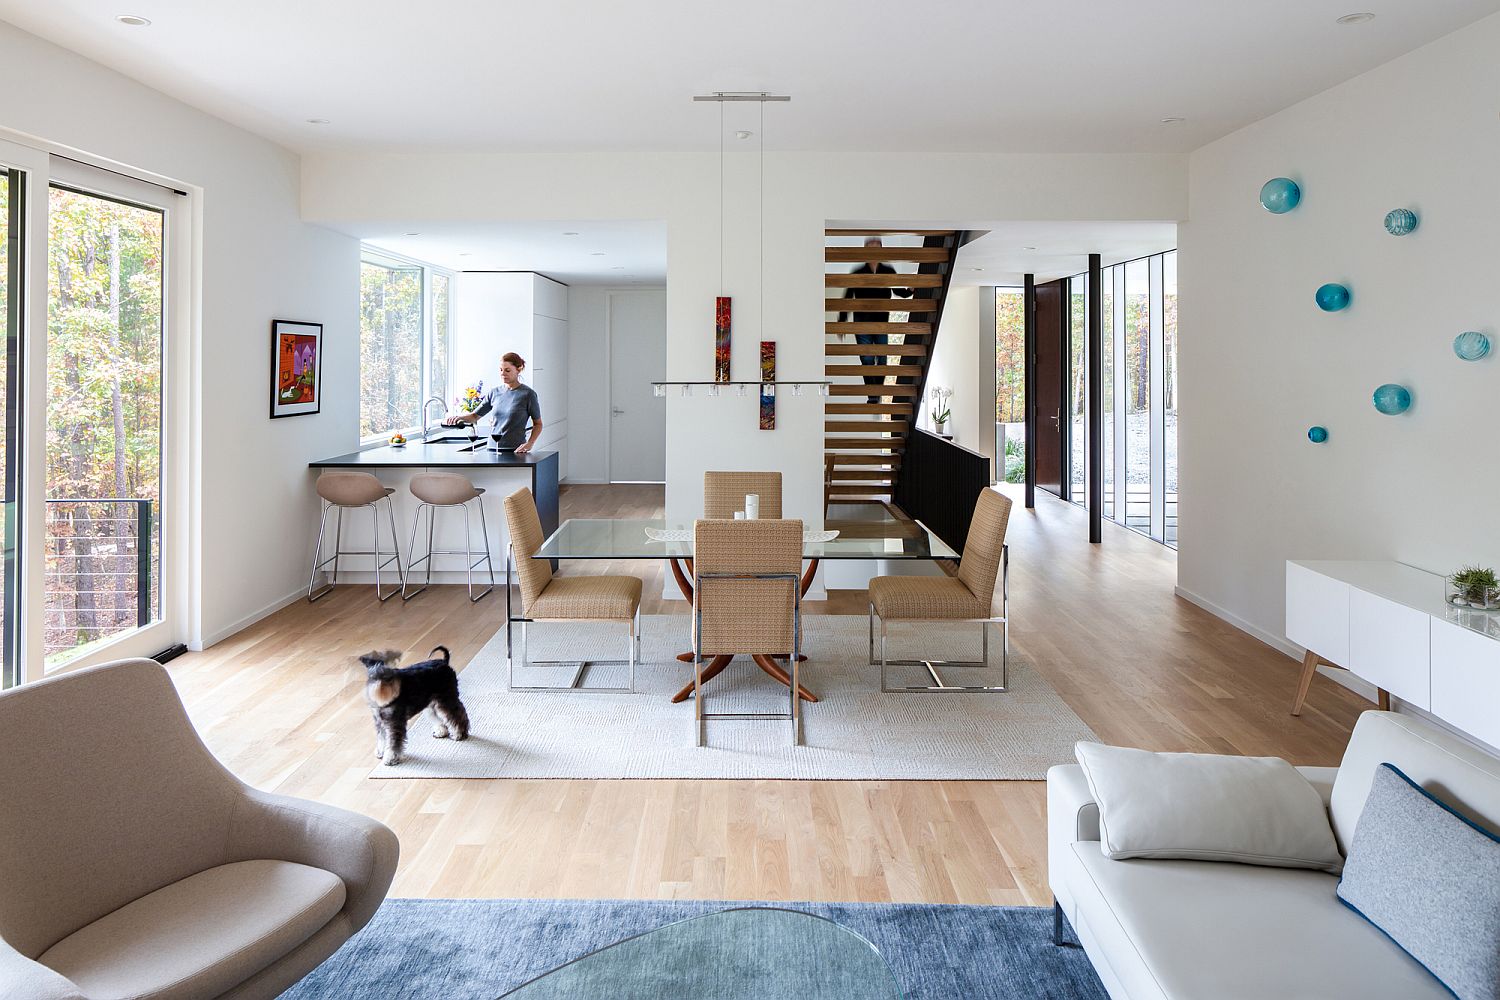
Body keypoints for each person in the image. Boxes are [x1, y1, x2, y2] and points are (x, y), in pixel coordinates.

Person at [839, 237, 913, 403]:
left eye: (876, 247)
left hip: (881, 321)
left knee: (882, 358)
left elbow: (898, 291)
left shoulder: (887, 270)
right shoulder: (858, 273)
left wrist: (910, 291)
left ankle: (877, 391)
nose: (873, 250)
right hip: (861, 322)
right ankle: (872, 395)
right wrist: (842, 320)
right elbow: (848, 296)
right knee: (866, 359)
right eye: (870, 247)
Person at [443, 351, 543, 454]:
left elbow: (538, 424)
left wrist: (530, 443)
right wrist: (459, 418)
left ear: (519, 369)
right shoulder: (494, 393)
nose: (502, 374)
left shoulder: (528, 394)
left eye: (507, 370)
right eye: (501, 370)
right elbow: (474, 416)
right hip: (492, 448)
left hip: (516, 451)